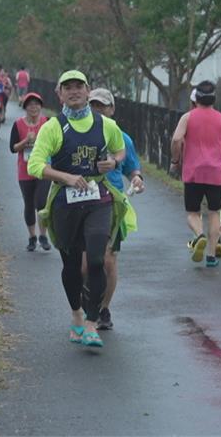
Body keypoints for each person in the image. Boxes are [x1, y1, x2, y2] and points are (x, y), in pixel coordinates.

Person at [27, 70, 127, 348]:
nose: (74, 91)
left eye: (78, 87)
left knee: (96, 259)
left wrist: (113, 162)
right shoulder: (53, 127)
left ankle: (93, 323)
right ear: (59, 94)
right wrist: (66, 177)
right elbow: (34, 165)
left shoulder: (105, 124)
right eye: (67, 87)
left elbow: (121, 150)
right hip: (65, 203)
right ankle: (76, 315)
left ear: (87, 90)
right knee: (71, 266)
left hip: (98, 199)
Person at [86, 88, 143, 331]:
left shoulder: (122, 138)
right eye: (94, 106)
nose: (98, 110)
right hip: (82, 201)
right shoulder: (79, 135)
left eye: (103, 106)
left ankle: (103, 309)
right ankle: (86, 303)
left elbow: (133, 169)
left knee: (108, 259)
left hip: (112, 203)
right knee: (85, 262)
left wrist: (137, 179)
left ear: (112, 109)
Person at [170, 80, 221, 267]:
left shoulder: (188, 118)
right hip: (215, 173)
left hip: (193, 173)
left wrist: (175, 160)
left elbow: (176, 139)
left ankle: (199, 236)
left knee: (192, 212)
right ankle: (211, 256)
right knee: (215, 212)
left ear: (196, 98)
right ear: (214, 99)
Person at [9, 92, 51, 251]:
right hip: (25, 170)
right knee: (29, 203)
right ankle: (32, 237)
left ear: (41, 106)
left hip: (43, 169)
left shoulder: (47, 122)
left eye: (37, 104)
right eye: (30, 104)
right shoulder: (18, 124)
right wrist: (26, 140)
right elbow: (13, 148)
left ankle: (43, 236)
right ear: (25, 107)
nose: (34, 107)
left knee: (41, 202)